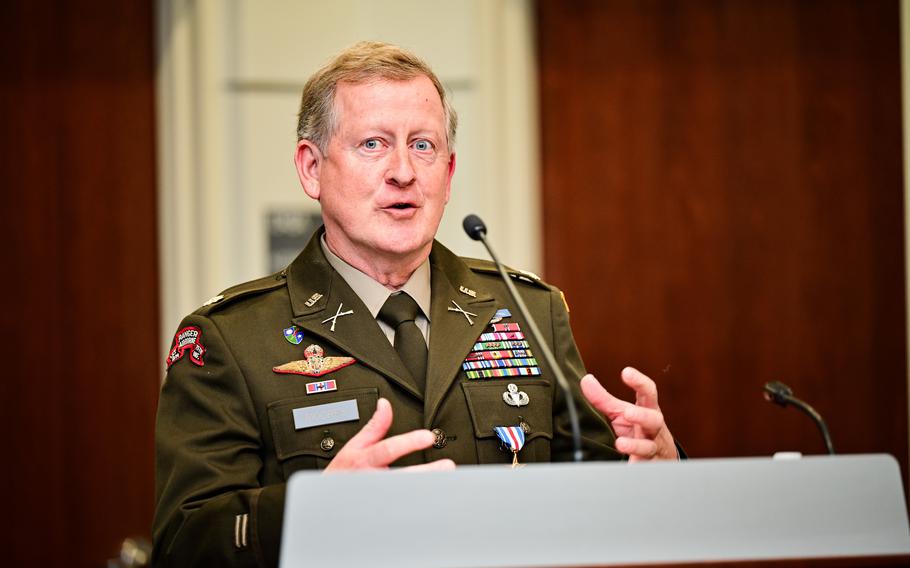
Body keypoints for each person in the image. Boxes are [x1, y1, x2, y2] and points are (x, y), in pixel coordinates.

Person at [152, 41, 679, 567]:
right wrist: (311, 512)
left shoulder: (526, 310)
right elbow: (183, 543)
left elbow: (596, 498)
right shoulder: (230, 338)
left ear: (447, 175)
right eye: (373, 144)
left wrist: (660, 473)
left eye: (423, 146)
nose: (403, 171)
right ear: (312, 168)